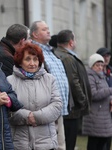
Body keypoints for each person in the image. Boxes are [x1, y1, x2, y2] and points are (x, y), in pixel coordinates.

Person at [7, 42, 62, 150]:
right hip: (19, 144)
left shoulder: (50, 79)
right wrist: (27, 117)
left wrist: (35, 117)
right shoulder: (9, 81)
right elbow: (8, 110)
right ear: (20, 61)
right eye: (28, 59)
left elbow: (57, 105)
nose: (32, 63)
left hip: (46, 143)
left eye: (35, 59)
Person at [30, 20, 69, 150]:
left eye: (48, 28)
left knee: (61, 145)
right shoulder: (33, 52)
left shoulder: (51, 51)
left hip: (59, 107)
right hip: (46, 109)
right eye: (44, 29)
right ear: (35, 34)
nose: (48, 31)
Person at [54, 29, 91, 150]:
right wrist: (83, 101)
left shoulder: (62, 54)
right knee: (68, 143)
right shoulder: (67, 58)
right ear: (71, 42)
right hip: (71, 109)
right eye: (75, 39)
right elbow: (73, 81)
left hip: (69, 108)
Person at [82, 53, 112, 150]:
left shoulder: (101, 77)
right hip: (95, 116)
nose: (100, 67)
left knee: (103, 142)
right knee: (94, 143)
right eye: (97, 65)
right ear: (92, 66)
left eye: (101, 65)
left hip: (104, 115)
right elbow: (93, 95)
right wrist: (110, 90)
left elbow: (105, 93)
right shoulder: (90, 77)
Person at [96, 47, 112, 150]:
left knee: (109, 137)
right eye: (104, 56)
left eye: (108, 56)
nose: (106, 58)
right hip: (100, 109)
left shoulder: (110, 71)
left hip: (110, 108)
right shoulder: (96, 72)